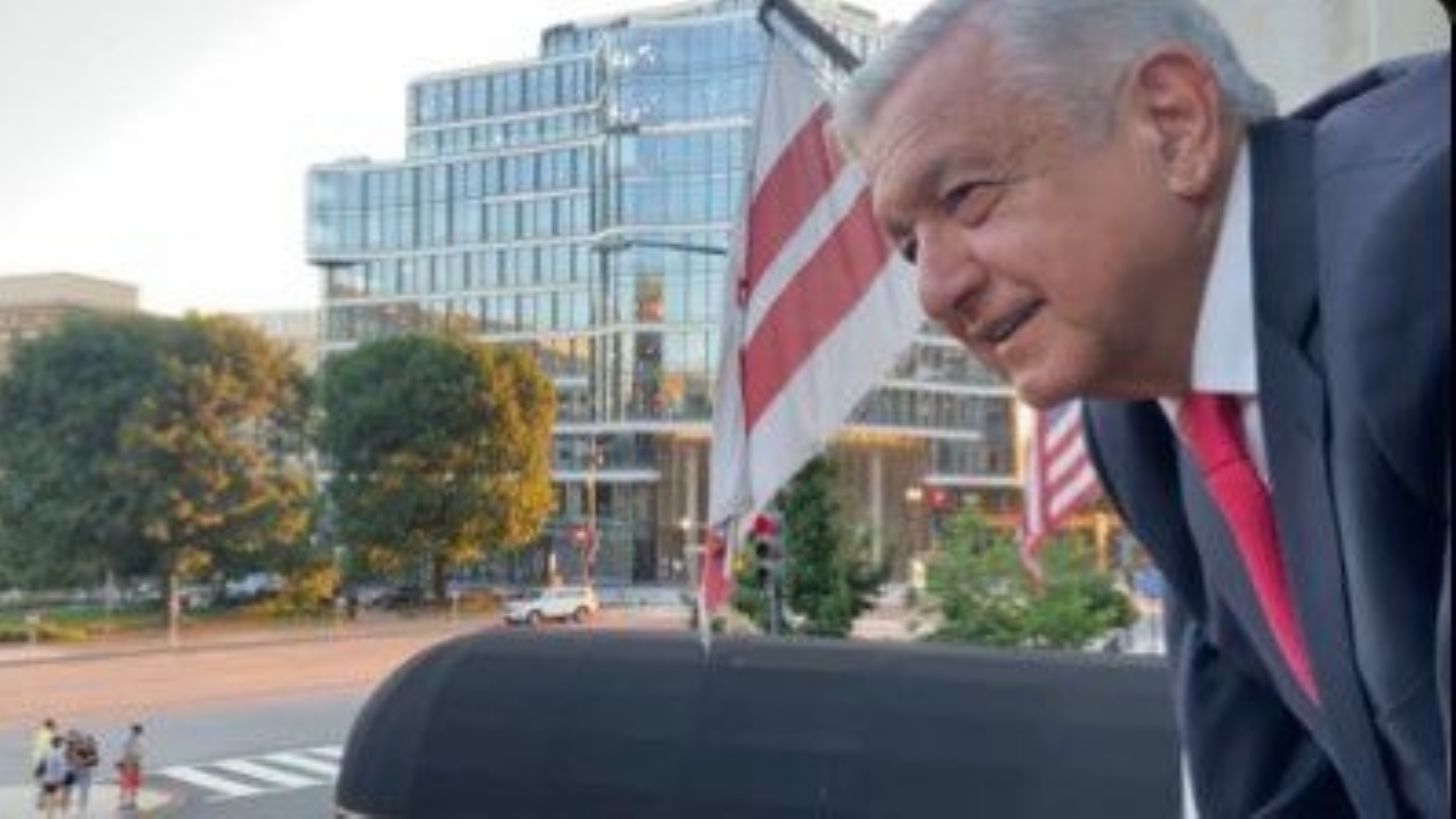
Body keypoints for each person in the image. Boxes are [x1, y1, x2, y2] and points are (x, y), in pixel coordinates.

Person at [831, 1, 1448, 816]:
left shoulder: (1425, 232)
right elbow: (1276, 790)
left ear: (1174, 125)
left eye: (966, 195)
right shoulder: (1136, 422)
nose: (937, 289)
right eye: (911, 245)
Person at [63, 728, 99, 816]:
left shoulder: (87, 747)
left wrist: (83, 761)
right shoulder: (69, 748)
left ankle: (80, 810)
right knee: (73, 791)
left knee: (82, 791)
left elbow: (95, 760)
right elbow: (69, 759)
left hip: (82, 772)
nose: (72, 740)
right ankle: (70, 810)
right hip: (74, 772)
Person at [36, 735, 69, 819]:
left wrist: (39, 775)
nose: (63, 744)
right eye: (62, 743)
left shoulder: (47, 752)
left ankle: (47, 812)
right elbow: (61, 768)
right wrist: (61, 780)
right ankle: (50, 816)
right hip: (54, 780)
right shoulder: (59, 754)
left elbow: (41, 765)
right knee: (52, 800)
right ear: (59, 743)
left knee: (50, 798)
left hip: (47, 779)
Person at [30, 717, 57, 810]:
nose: (55, 727)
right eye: (54, 726)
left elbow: (36, 747)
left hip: (36, 759)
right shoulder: (51, 735)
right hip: (44, 760)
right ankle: (42, 802)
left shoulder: (39, 734)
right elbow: (49, 749)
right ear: (51, 726)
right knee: (47, 781)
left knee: (40, 781)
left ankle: (40, 801)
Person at [116, 723, 144, 811]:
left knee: (129, 783)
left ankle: (128, 802)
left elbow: (126, 752)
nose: (140, 732)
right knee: (129, 783)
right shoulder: (131, 740)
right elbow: (128, 753)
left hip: (132, 762)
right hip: (130, 763)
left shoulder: (134, 739)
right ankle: (127, 802)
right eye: (139, 730)